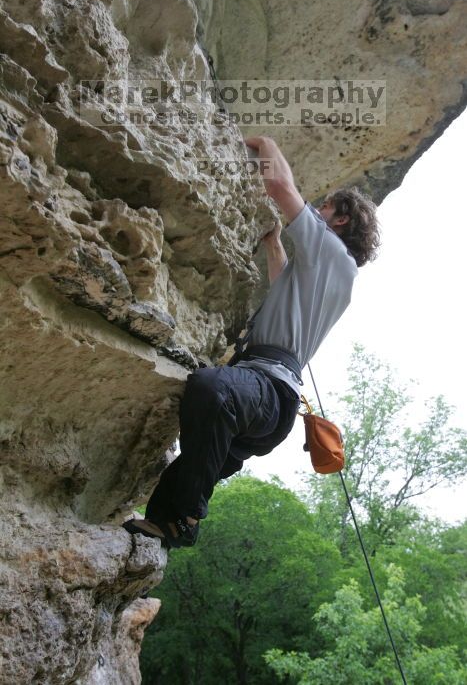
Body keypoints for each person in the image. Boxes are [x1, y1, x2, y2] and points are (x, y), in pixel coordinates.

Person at [123, 136, 380, 548]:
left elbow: (280, 186)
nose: (317, 210)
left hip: (266, 390)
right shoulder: (328, 273)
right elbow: (281, 285)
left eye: (326, 207)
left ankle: (188, 518)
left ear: (341, 221)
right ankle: (162, 530)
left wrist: (263, 141)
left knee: (211, 388)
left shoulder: (331, 251)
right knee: (181, 475)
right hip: (266, 405)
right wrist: (274, 242)